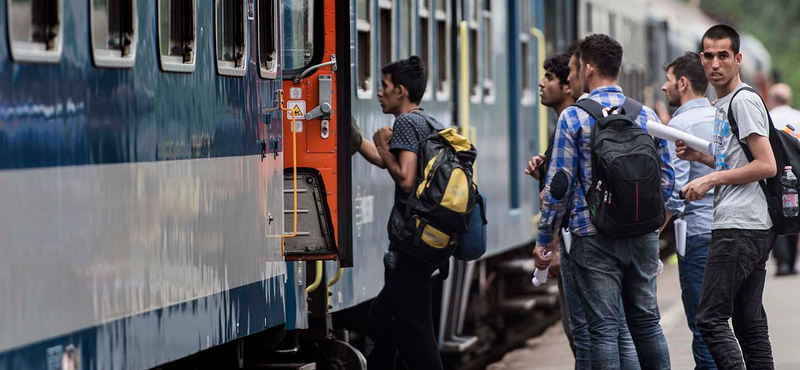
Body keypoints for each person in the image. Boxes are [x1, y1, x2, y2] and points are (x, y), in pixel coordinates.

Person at [533, 34, 674, 370]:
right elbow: (667, 176)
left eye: (574, 69)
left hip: (591, 234)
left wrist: (544, 240)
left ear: (588, 68)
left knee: (604, 329)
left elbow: (559, 187)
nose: (571, 76)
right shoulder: (644, 115)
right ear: (619, 69)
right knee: (647, 323)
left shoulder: (573, 118)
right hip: (642, 234)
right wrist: (654, 221)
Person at [677, 24, 777, 369]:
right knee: (749, 324)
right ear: (701, 59)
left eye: (723, 55)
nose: (715, 63)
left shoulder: (743, 101)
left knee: (709, 319)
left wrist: (711, 178)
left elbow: (767, 165)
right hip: (750, 224)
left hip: (739, 226)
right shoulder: (725, 104)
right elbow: (740, 161)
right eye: (708, 55)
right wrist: (702, 159)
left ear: (738, 59)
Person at [355, 55, 445, 370]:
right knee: (386, 321)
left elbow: (405, 178)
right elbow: (387, 163)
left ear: (401, 91)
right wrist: (359, 141)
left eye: (384, 86)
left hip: (411, 243)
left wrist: (382, 145)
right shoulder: (429, 122)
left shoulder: (406, 122)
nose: (379, 93)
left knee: (413, 327)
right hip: (424, 242)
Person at [661, 52, 718, 370]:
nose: (663, 87)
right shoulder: (719, 116)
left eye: (667, 81)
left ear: (682, 83)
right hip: (731, 229)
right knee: (726, 324)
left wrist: (654, 232)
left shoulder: (679, 125)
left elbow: (675, 192)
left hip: (697, 236)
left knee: (703, 324)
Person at [767, 83, 800, 276]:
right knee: (794, 212)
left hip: (777, 172)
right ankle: (792, 262)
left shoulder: (770, 116)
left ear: (773, 99)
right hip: (797, 172)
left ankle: (782, 263)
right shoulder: (797, 115)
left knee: (779, 212)